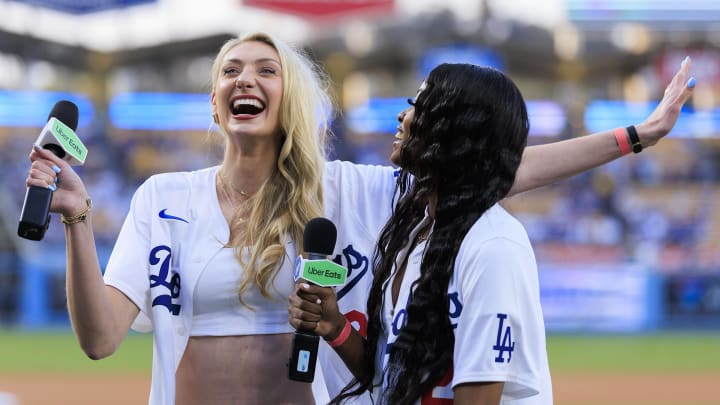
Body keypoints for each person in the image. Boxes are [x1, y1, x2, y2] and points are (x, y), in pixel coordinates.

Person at [25, 29, 694, 405]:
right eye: (229, 70)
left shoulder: (354, 192)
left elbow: (485, 171)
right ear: (213, 100)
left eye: (266, 68)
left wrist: (634, 135)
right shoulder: (159, 196)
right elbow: (100, 339)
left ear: (293, 99)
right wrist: (79, 221)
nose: (244, 79)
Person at [288, 61, 696, 405]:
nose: (402, 115)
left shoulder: (492, 246)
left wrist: (641, 135)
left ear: (454, 134)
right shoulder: (415, 236)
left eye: (418, 105)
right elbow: (392, 382)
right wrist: (336, 326)